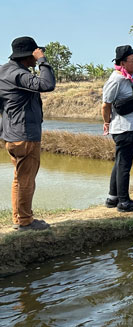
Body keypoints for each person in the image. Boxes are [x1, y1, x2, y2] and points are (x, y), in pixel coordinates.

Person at [0, 36, 55, 231]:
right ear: (28, 56)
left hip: (12, 134)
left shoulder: (4, 71)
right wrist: (43, 62)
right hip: (24, 135)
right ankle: (25, 221)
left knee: (19, 177)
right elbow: (47, 85)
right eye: (36, 53)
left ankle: (19, 217)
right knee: (26, 180)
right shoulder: (18, 74)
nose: (39, 55)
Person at [102, 45, 133, 212]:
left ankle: (113, 197)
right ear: (123, 62)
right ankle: (124, 202)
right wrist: (107, 122)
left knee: (120, 162)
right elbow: (106, 105)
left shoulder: (127, 78)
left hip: (131, 126)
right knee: (124, 165)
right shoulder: (116, 79)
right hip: (123, 129)